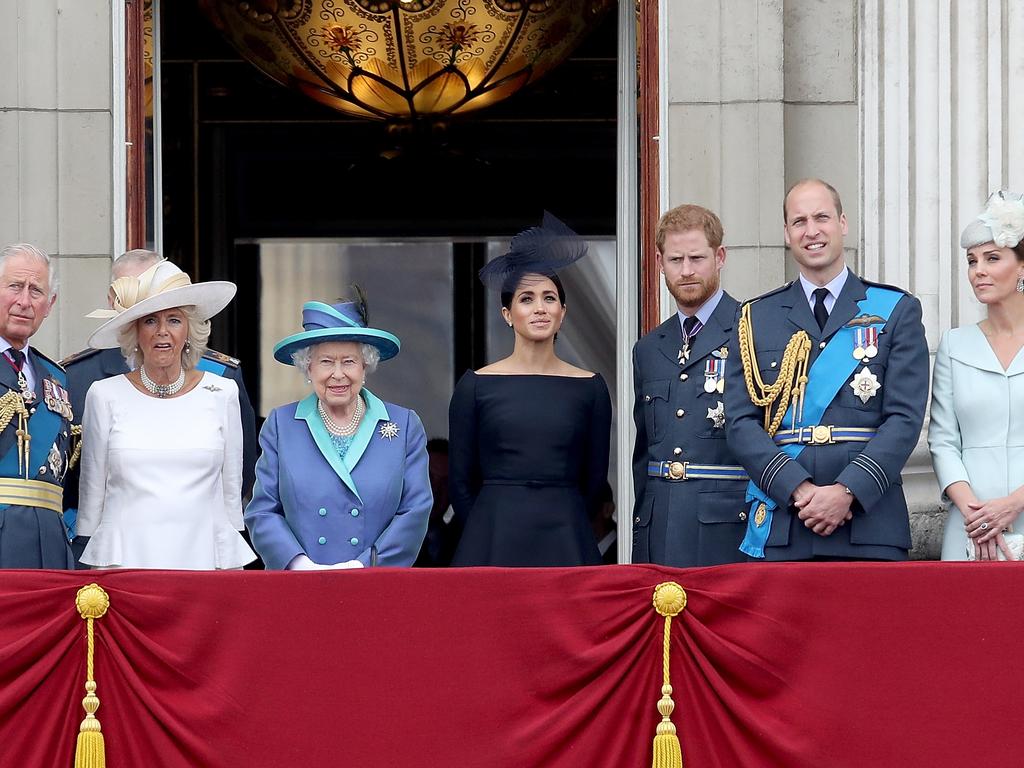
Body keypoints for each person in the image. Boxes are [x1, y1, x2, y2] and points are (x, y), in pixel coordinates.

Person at [725, 178, 929, 561]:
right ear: (787, 233)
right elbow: (740, 423)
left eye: (822, 217)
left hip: (869, 524)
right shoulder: (755, 317)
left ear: (843, 223)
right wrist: (798, 490)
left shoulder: (895, 310)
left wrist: (847, 491)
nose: (811, 230)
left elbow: (904, 419)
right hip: (786, 522)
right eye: (799, 221)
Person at [448, 213, 612, 566]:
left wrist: (563, 513)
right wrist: (486, 525)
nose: (539, 308)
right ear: (507, 314)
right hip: (492, 537)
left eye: (549, 298)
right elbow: (460, 483)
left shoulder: (591, 387)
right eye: (527, 299)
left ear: (563, 312)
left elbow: (594, 481)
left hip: (566, 537)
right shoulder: (475, 386)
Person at [62, 250, 257, 540]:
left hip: (198, 543)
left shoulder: (221, 381)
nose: (161, 330)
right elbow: (73, 486)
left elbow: (239, 477)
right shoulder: (76, 379)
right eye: (148, 316)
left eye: (172, 317)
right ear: (115, 302)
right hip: (118, 546)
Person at [244, 297, 431, 569]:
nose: (338, 374)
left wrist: (364, 565)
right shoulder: (281, 425)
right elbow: (262, 510)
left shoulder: (404, 425)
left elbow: (416, 510)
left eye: (349, 361)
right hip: (302, 584)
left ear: (365, 366)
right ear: (308, 367)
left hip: (375, 583)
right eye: (326, 362)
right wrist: (298, 564)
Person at [631, 204, 748, 567]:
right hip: (659, 529)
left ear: (720, 257)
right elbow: (643, 456)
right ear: (659, 261)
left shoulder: (752, 330)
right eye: (675, 259)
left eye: (697, 258)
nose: (686, 271)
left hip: (727, 530)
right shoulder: (649, 348)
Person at [929, 191, 1024, 561]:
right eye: (972, 261)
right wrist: (976, 514)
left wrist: (1013, 504)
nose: (978, 270)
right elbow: (942, 440)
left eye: (992, 258)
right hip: (970, 527)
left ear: (1022, 268)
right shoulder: (954, 345)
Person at [0, 243, 76, 568]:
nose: (24, 301)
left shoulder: (56, 377)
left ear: (50, 305)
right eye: (15, 286)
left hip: (48, 545)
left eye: (36, 291)